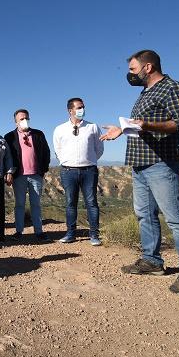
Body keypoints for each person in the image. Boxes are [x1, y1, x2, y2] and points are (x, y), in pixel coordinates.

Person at [100, 49, 179, 294]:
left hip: (161, 163)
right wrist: (122, 130)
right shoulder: (145, 93)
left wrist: (147, 124)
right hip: (140, 164)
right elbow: (140, 128)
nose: (130, 75)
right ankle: (152, 261)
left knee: (176, 218)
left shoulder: (174, 88)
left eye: (133, 70)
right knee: (144, 214)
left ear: (148, 67)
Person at [53, 98, 104, 246]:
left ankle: (94, 235)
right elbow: (58, 150)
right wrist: (67, 161)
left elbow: (99, 148)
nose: (82, 109)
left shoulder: (92, 127)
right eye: (79, 107)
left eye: (83, 107)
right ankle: (70, 234)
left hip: (89, 170)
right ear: (70, 110)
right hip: (68, 171)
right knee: (70, 203)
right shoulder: (60, 129)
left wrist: (89, 160)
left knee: (92, 202)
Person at [4, 109, 51, 241]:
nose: (24, 121)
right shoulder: (9, 137)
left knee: (36, 204)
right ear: (15, 122)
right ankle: (19, 231)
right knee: (19, 204)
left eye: (26, 118)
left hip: (36, 175)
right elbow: (7, 157)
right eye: (21, 119)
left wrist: (44, 169)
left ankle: (39, 231)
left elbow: (46, 152)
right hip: (19, 176)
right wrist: (9, 173)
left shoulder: (38, 134)